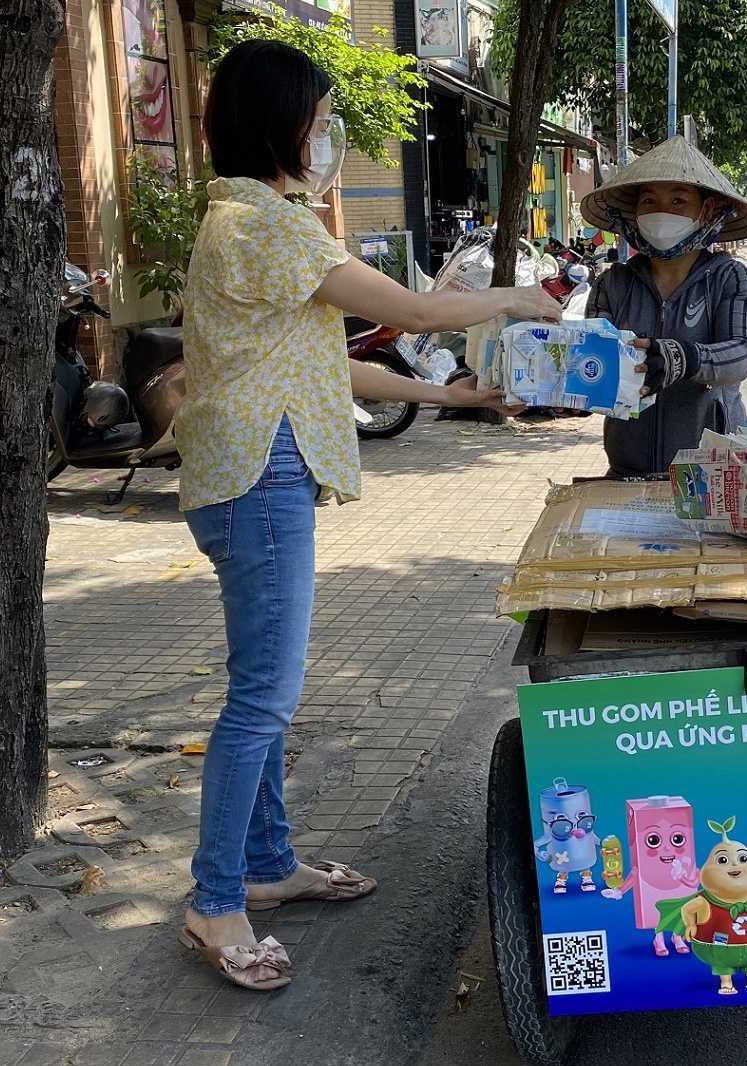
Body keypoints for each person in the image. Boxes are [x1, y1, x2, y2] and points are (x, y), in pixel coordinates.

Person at [175, 40, 562, 991]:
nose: (324, 140)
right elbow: (415, 312)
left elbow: (334, 365)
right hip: (256, 480)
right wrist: (520, 294)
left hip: (253, 474)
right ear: (278, 127)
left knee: (262, 690)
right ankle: (214, 898)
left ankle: (264, 869)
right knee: (261, 697)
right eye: (315, 123)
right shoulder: (266, 227)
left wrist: (462, 402)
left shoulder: (251, 221)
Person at [580, 136, 747, 476]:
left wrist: (680, 358)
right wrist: (563, 390)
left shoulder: (730, 278)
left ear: (705, 210)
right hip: (626, 472)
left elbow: (740, 356)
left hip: (714, 475)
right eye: (649, 200)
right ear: (635, 212)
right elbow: (592, 363)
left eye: (678, 200)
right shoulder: (612, 284)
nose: (661, 211)